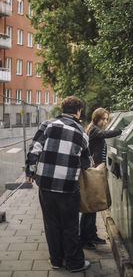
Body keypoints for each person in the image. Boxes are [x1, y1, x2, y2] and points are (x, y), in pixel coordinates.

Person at [25, 96, 91, 272]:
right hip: (68, 186)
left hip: (45, 183)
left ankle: (56, 260)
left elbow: (34, 149)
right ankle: (74, 263)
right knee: (70, 225)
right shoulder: (82, 132)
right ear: (78, 111)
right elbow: (86, 162)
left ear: (63, 109)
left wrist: (30, 171)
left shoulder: (48, 124)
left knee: (51, 223)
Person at [80, 107, 122, 250]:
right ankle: (85, 239)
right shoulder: (94, 130)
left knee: (94, 206)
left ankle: (92, 235)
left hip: (97, 169)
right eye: (103, 118)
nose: (105, 121)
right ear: (96, 118)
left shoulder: (93, 128)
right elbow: (106, 134)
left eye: (107, 119)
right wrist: (122, 131)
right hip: (95, 170)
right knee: (91, 206)